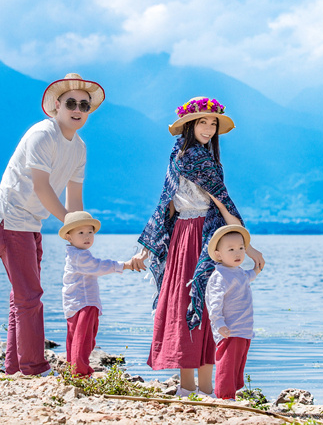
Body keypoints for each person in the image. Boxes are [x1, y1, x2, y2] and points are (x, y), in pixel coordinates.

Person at [132, 96, 265, 397]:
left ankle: (198, 387)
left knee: (197, 303)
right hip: (191, 235)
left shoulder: (197, 156)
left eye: (213, 123)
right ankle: (192, 386)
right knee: (194, 303)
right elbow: (170, 205)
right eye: (202, 122)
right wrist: (249, 246)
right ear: (189, 124)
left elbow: (220, 201)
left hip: (201, 233)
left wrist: (246, 244)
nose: (208, 128)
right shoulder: (189, 156)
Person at [0, 73, 105, 376]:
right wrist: (71, 224)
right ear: (56, 106)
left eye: (84, 105)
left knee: (21, 296)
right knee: (29, 296)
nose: (78, 109)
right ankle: (34, 367)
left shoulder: (79, 147)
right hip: (9, 221)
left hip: (30, 225)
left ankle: (14, 366)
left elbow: (74, 197)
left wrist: (79, 236)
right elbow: (41, 187)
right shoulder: (43, 134)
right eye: (71, 103)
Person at [60, 210, 134, 376]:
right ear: (69, 237)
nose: (87, 236)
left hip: (74, 304)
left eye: (90, 232)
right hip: (84, 303)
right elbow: (98, 266)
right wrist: (123, 265)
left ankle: (73, 368)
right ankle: (80, 371)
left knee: (74, 337)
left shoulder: (74, 254)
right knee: (84, 338)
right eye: (81, 233)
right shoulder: (80, 257)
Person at [205, 225, 262, 400]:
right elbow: (214, 303)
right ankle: (224, 395)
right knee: (227, 364)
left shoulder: (239, 273)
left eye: (241, 248)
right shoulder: (220, 276)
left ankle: (233, 393)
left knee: (238, 364)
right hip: (229, 329)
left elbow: (250, 275)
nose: (237, 253)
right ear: (218, 255)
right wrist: (219, 323)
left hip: (244, 329)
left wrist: (258, 267)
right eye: (231, 249)